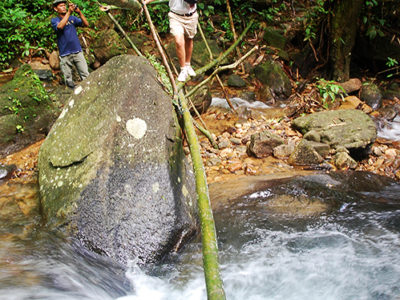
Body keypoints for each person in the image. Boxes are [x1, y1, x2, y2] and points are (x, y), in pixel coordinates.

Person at [144, 0, 198, 82]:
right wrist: (146, 1)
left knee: (189, 39)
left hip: (191, 16)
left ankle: (188, 64)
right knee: (179, 41)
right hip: (175, 16)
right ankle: (183, 69)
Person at [51, 0, 89, 89]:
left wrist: (79, 12)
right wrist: (69, 12)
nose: (64, 7)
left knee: (86, 75)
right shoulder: (55, 20)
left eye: (64, 5)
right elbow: (60, 27)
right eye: (61, 6)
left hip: (77, 50)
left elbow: (86, 24)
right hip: (65, 53)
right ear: (56, 9)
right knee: (68, 80)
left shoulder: (72, 18)